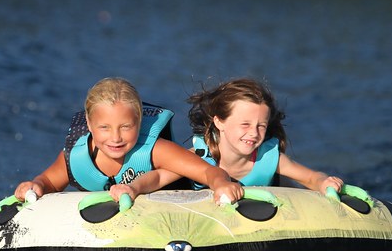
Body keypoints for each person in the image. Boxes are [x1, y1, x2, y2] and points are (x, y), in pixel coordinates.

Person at [13, 78, 243, 205]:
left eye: (126, 127)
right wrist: (37, 185)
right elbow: (49, 182)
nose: (115, 138)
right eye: (104, 128)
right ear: (90, 125)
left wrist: (221, 184)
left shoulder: (155, 151)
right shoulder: (77, 157)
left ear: (139, 122)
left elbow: (209, 173)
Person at [186, 78, 344, 193]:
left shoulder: (268, 158)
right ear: (219, 122)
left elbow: (311, 178)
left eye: (261, 126)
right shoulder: (197, 157)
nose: (254, 133)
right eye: (245, 124)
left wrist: (324, 182)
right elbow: (161, 178)